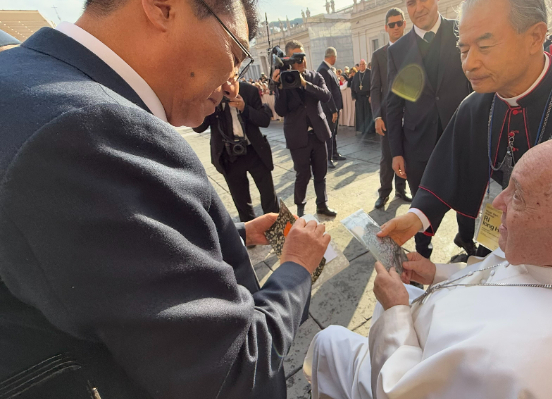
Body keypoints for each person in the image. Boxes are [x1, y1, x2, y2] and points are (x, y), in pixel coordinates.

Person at [0, 0, 332, 398]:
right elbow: (234, 369)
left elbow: (98, 262)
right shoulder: (92, 129)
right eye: (236, 52)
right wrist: (296, 266)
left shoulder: (26, 82)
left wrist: (233, 234)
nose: (231, 81)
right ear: (162, 8)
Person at [304, 129, 552, 399]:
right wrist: (437, 272)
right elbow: (509, 274)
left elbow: (401, 390)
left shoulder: (533, 371)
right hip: (432, 325)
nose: (496, 204)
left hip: (406, 367)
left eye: (519, 197)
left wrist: (396, 314)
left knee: (328, 342)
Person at [378, 0, 552, 259]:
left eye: (485, 47)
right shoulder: (475, 107)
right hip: (495, 246)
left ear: (535, 37)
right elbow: (446, 169)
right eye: (463, 50)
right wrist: (416, 217)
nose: (469, 63)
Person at [386, 0, 473, 259]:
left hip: (460, 135)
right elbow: (393, 105)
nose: (418, 7)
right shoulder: (398, 50)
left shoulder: (463, 31)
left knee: (467, 195)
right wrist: (396, 151)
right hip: (417, 144)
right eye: (411, 2)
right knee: (421, 203)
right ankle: (423, 251)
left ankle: (468, 243)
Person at [193, 80, 280, 223]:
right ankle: (251, 233)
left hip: (254, 151)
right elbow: (198, 128)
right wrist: (206, 102)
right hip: (228, 155)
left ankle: (276, 228)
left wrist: (245, 108)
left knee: (268, 194)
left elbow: (264, 120)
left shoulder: (248, 90)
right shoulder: (212, 95)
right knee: (240, 199)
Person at [273, 40, 337, 218]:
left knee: (321, 172)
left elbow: (326, 96)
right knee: (302, 175)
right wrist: (279, 87)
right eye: (297, 58)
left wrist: (304, 84)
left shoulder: (315, 76)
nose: (301, 61)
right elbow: (280, 110)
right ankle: (300, 209)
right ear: (288, 59)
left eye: (303, 57)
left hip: (318, 132)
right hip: (297, 135)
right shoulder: (284, 80)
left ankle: (322, 205)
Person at [371, 8, 411, 209]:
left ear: (405, 24)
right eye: (392, 24)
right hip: (387, 116)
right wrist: (377, 116)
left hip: (411, 115)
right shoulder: (379, 55)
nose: (396, 27)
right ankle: (384, 192)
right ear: (386, 28)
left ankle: (401, 190)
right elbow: (375, 88)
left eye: (399, 23)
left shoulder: (414, 49)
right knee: (388, 156)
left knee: (405, 153)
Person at [317, 47, 346, 168]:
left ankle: (334, 153)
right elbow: (327, 92)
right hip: (329, 109)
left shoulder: (327, 69)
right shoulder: (323, 69)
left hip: (333, 108)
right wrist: (333, 110)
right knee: (329, 133)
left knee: (334, 132)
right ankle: (328, 158)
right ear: (332, 56)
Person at [351, 59, 374, 134]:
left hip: (367, 96)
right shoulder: (357, 75)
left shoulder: (370, 73)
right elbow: (352, 85)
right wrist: (353, 95)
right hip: (359, 97)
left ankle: (369, 129)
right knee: (360, 113)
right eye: (360, 64)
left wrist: (371, 95)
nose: (362, 66)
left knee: (368, 113)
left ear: (366, 65)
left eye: (363, 64)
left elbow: (373, 85)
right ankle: (362, 129)